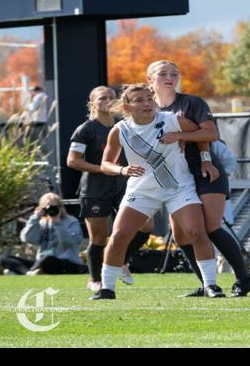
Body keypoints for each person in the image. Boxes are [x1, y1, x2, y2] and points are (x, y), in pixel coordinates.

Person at [90, 84, 221, 300]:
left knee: (196, 232)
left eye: (149, 98)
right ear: (127, 106)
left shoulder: (171, 119)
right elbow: (105, 164)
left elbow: (204, 135)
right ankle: (107, 289)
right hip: (142, 191)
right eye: (139, 100)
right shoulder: (120, 130)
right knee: (119, 235)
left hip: (178, 188)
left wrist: (185, 141)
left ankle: (211, 286)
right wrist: (122, 169)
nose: (146, 103)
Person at [147, 60, 250, 297]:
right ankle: (207, 284)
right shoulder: (147, 109)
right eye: (163, 73)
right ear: (150, 80)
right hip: (175, 179)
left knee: (210, 226)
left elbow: (209, 134)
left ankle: (244, 278)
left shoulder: (191, 102)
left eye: (174, 73)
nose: (170, 77)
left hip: (204, 172)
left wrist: (195, 149)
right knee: (180, 235)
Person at [65, 87, 144, 291]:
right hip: (95, 190)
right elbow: (73, 161)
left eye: (112, 97)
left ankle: (121, 261)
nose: (108, 101)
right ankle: (95, 280)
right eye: (102, 98)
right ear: (93, 104)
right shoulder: (86, 129)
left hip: (124, 187)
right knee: (98, 238)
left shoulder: (125, 127)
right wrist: (104, 169)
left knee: (146, 227)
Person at [0, 193, 87, 276]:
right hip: (42, 262)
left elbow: (69, 243)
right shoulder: (42, 223)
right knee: (2, 258)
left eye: (54, 207)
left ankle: (31, 270)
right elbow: (27, 239)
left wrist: (57, 223)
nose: (51, 210)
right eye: (48, 207)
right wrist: (34, 218)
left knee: (48, 258)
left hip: (67, 263)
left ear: (61, 208)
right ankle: (29, 273)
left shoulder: (71, 222)